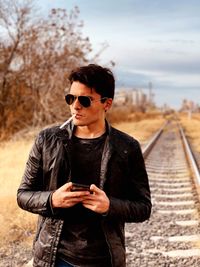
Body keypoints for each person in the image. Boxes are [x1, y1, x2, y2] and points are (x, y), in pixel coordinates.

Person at [17, 64, 151, 267]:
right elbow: (23, 195)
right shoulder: (47, 140)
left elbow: (143, 207)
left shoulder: (127, 147)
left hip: (105, 259)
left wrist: (109, 206)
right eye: (70, 98)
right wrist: (52, 199)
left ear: (107, 104)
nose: (75, 106)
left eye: (84, 100)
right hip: (55, 257)